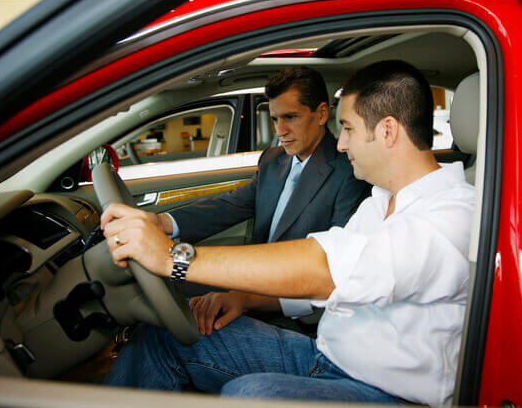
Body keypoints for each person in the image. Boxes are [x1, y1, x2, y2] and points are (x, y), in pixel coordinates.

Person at [102, 60, 476, 405]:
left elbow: (324, 270)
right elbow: (329, 290)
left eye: (347, 129)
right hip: (324, 357)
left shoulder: (452, 214)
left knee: (250, 395)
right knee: (167, 334)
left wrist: (173, 258)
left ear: (388, 131)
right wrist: (245, 299)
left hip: (386, 392)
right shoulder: (380, 200)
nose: (341, 142)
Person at [164, 66, 369, 330]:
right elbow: (230, 206)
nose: (280, 130)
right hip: (251, 282)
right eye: (274, 119)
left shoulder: (348, 172)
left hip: (295, 311)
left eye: (290, 117)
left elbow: (333, 272)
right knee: (168, 283)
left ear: (320, 114)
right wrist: (165, 223)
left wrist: (246, 299)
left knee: (180, 336)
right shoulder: (273, 160)